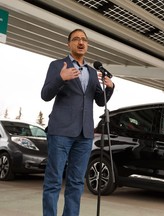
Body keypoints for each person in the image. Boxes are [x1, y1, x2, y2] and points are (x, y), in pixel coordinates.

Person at [41, 28, 114, 216]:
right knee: (54, 180)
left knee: (76, 182)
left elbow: (99, 100)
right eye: (76, 39)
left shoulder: (91, 71)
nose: (80, 42)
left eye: (84, 40)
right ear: (69, 44)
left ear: (87, 45)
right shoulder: (57, 65)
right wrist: (60, 79)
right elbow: (45, 95)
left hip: (84, 135)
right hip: (60, 132)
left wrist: (110, 87)